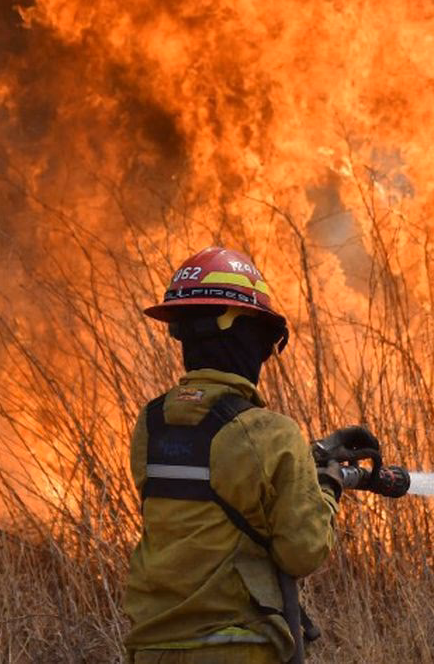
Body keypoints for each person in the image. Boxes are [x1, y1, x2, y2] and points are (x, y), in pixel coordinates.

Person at [123, 246, 374, 664]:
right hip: (236, 648)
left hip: (152, 647)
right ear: (247, 336)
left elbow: (211, 492)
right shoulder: (271, 433)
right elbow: (303, 550)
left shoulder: (150, 424)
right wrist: (327, 485)